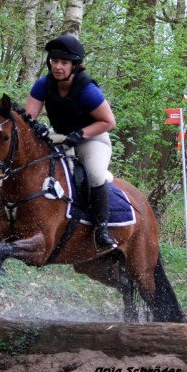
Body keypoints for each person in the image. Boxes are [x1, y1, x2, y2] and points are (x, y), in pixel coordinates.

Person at [25, 34, 118, 251]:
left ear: (75, 65)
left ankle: (101, 230)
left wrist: (81, 134)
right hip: (60, 135)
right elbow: (28, 116)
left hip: (93, 137)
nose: (58, 67)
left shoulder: (87, 90)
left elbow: (108, 121)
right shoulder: (43, 84)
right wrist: (35, 126)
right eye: (54, 61)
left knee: (94, 174)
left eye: (64, 63)